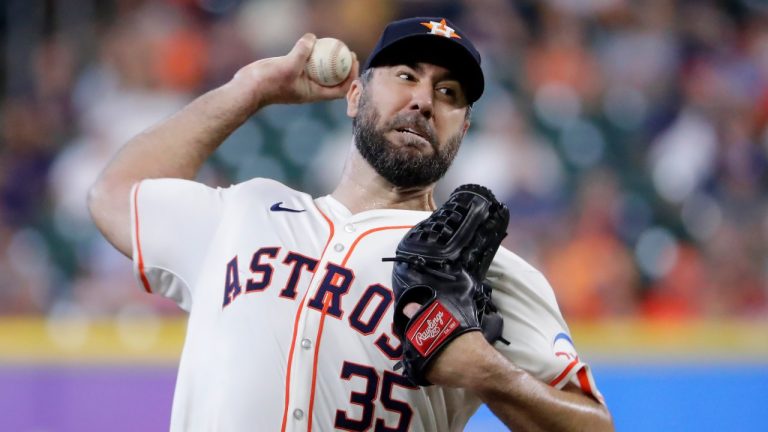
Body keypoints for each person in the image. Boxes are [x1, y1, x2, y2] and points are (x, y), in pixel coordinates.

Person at [89, 16, 613, 431]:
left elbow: (594, 426)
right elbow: (115, 195)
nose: (424, 101)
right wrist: (249, 90)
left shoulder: (484, 269)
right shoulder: (244, 212)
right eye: (406, 76)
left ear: (464, 129)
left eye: (450, 93)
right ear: (356, 96)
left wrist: (489, 374)